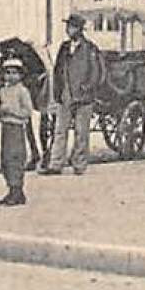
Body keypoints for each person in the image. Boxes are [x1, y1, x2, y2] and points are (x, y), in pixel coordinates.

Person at [42, 14, 102, 175]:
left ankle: (79, 165)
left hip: (83, 98)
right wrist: (57, 92)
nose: (69, 30)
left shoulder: (90, 49)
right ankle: (56, 164)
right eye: (68, 27)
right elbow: (57, 70)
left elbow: (96, 72)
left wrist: (87, 87)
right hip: (65, 95)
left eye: (72, 27)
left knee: (81, 132)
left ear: (80, 29)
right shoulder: (64, 47)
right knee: (60, 131)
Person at [0, 58, 33, 205]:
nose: (10, 76)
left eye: (14, 73)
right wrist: (0, 112)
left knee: (16, 158)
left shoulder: (22, 91)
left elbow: (27, 112)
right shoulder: (3, 91)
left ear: (20, 75)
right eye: (8, 73)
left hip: (17, 128)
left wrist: (12, 111)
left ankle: (17, 190)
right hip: (6, 128)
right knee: (6, 159)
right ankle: (11, 189)